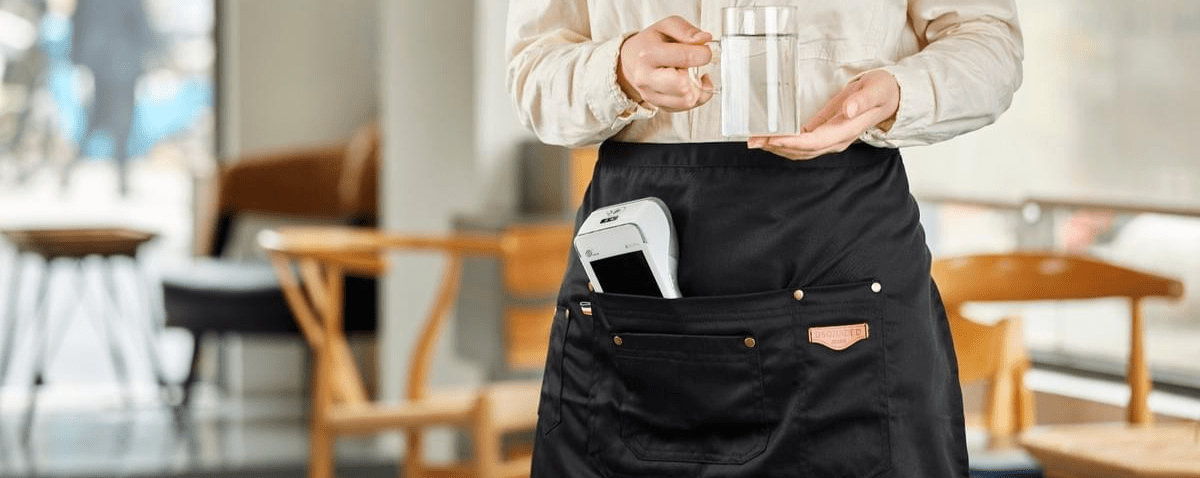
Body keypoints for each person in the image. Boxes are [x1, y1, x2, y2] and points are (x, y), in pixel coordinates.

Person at [507, 0, 1022, 477]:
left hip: (841, 259)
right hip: (638, 262)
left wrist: (897, 94)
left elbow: (989, 45)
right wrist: (618, 71)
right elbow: (532, 69)